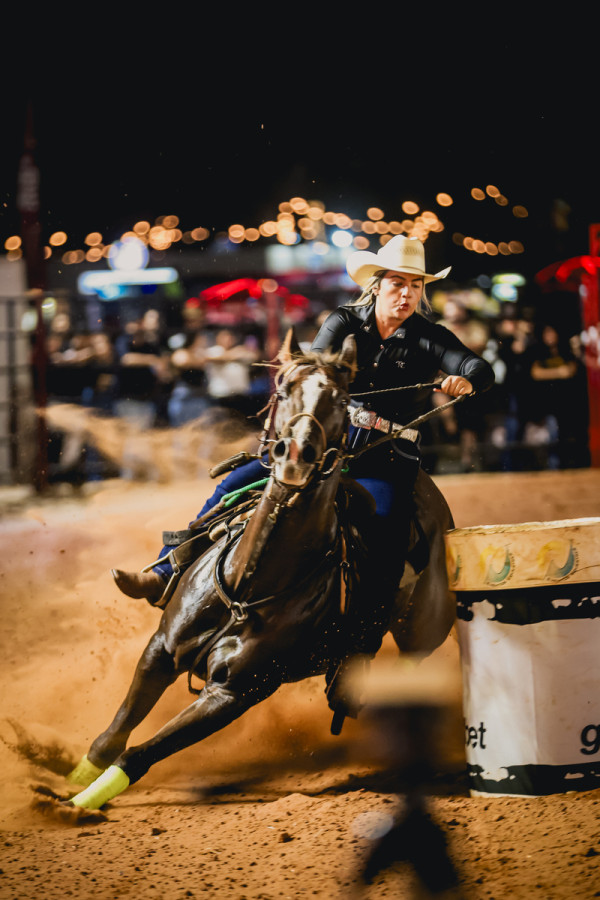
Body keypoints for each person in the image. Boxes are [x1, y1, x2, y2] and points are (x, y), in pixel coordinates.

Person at [112, 236, 494, 660]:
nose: (407, 294)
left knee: (385, 533)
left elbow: (479, 366)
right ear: (377, 285)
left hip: (386, 458)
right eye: (398, 283)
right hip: (328, 445)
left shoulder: (430, 337)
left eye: (416, 286)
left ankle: (361, 644)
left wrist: (467, 379)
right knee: (234, 484)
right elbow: (316, 366)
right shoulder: (344, 321)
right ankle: (165, 570)